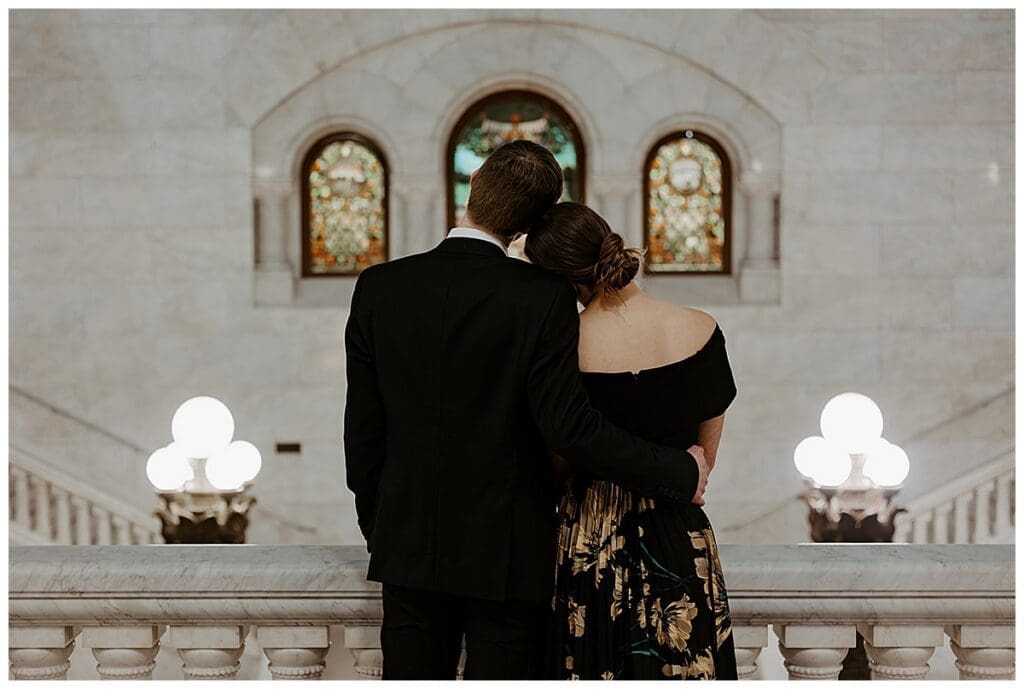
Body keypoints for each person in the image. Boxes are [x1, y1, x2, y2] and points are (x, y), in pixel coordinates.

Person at [344, 141, 709, 680]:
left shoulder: (379, 287)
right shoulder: (539, 296)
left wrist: (384, 531)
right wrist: (679, 469)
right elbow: (569, 427)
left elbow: (363, 434)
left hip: (408, 551)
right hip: (509, 560)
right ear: (529, 228)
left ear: (475, 188)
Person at [524, 202, 738, 680]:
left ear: (557, 278)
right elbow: (704, 463)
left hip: (589, 535)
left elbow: (558, 461)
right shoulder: (701, 328)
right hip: (678, 532)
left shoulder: (564, 346)